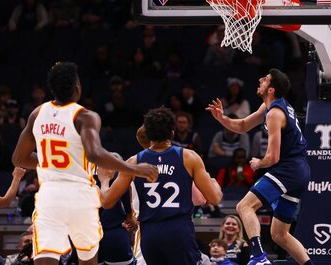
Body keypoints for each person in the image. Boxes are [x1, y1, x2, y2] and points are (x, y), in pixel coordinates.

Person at [11, 61, 158, 265]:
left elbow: (18, 158)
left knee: (46, 256)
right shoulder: (85, 117)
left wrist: (49, 163)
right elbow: (95, 154)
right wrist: (133, 168)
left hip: (49, 196)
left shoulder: (37, 114)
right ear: (77, 88)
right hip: (80, 195)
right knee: (88, 259)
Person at [206, 68, 313, 265]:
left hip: (289, 168)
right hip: (299, 170)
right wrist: (222, 118)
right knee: (280, 234)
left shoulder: (275, 113)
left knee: (244, 206)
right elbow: (243, 125)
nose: (260, 80)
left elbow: (273, 157)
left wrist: (258, 163)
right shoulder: (270, 107)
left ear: (271, 89)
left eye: (265, 79)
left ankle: (259, 257)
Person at [99, 106, 222, 265]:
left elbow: (107, 202)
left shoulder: (133, 162)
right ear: (172, 132)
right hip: (179, 231)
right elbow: (214, 198)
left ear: (148, 134)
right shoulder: (189, 157)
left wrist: (104, 180)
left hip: (150, 234)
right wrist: (214, 184)